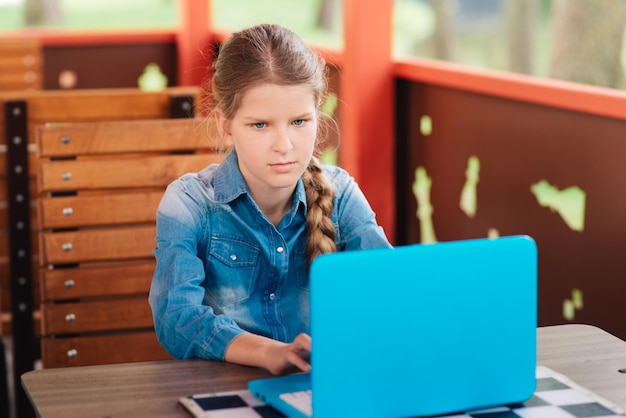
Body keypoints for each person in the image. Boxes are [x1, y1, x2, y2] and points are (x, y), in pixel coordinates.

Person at [149, 23, 391, 376]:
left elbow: (387, 288)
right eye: (260, 125)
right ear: (225, 125)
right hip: (221, 393)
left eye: (298, 121)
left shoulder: (340, 193)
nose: (284, 145)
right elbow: (177, 319)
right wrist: (269, 353)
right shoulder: (188, 203)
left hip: (321, 391)